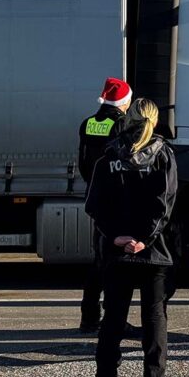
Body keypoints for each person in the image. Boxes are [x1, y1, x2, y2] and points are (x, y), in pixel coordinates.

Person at [86, 98, 178, 377]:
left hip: (117, 252)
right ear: (154, 121)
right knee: (155, 319)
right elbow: (164, 205)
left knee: (113, 319)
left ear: (127, 119)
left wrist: (117, 238)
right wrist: (143, 238)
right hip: (153, 252)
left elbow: (94, 206)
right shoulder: (164, 155)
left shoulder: (108, 156)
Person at [77, 77, 132, 333]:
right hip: (116, 197)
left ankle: (89, 316)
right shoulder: (121, 123)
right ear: (124, 102)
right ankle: (113, 318)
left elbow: (83, 160)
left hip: (94, 194)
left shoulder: (88, 123)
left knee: (98, 257)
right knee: (113, 259)